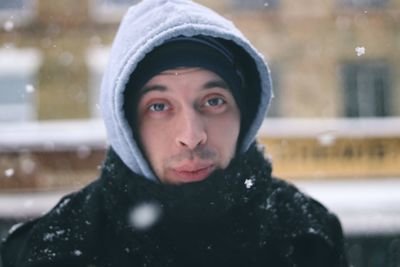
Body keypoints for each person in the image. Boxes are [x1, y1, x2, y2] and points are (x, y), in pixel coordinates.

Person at [1, 0, 348, 266]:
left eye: (213, 100)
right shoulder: (53, 247)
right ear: (125, 124)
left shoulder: (309, 234)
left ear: (246, 109)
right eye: (158, 106)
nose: (192, 135)